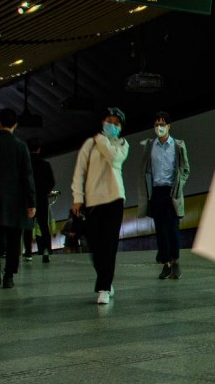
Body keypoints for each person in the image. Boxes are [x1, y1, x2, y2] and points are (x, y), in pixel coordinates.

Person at [71, 108, 129, 305]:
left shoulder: (122, 145)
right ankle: (105, 279)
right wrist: (77, 197)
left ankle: (104, 287)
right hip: (93, 201)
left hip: (115, 199)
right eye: (109, 121)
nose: (111, 125)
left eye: (116, 123)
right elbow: (79, 171)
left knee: (109, 245)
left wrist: (102, 140)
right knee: (95, 246)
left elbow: (113, 158)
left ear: (121, 127)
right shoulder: (90, 144)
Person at [0, 109, 35, 289]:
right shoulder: (21, 146)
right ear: (15, 125)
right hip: (16, 201)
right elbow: (27, 175)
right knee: (13, 239)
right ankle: (9, 276)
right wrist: (31, 202)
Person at [140, 111, 191, 280]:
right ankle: (166, 263)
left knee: (172, 228)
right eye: (156, 125)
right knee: (160, 230)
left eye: (162, 124)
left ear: (169, 126)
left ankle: (176, 261)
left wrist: (179, 184)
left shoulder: (177, 145)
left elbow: (185, 168)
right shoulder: (150, 146)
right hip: (156, 192)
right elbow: (145, 169)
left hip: (172, 191)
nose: (159, 127)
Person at [23, 141, 56, 263]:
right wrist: (45, 191)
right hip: (42, 199)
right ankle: (47, 250)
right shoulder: (45, 164)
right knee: (44, 226)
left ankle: (28, 253)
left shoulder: (25, 165)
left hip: (29, 200)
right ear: (39, 149)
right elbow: (52, 182)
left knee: (28, 227)